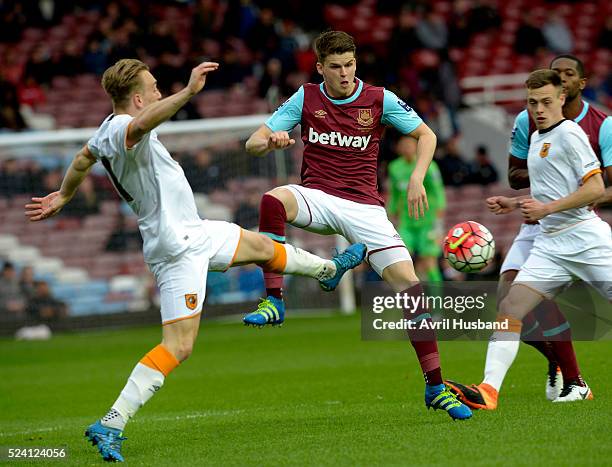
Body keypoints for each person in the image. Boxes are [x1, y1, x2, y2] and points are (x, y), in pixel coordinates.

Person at [25, 58, 365, 462]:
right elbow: (138, 126)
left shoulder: (103, 132)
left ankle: (329, 270)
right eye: (152, 87)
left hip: (195, 230)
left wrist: (64, 195)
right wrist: (186, 94)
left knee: (261, 247)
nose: (156, 91)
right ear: (137, 98)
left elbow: (82, 159)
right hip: (177, 247)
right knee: (179, 346)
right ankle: (111, 423)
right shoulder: (120, 127)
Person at [241, 31, 471, 421]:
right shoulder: (306, 97)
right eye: (336, 66)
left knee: (411, 290)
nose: (345, 73)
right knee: (273, 199)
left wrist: (417, 176)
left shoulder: (379, 98)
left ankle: (435, 387)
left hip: (366, 208)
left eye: (349, 64)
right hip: (320, 197)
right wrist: (272, 142)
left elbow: (426, 134)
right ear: (320, 68)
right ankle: (275, 300)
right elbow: (252, 142)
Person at [446, 56, 611, 410]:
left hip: (586, 238)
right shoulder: (537, 136)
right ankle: (489, 390)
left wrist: (546, 209)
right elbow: (550, 188)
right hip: (551, 244)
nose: (538, 109)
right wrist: (514, 202)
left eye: (546, 101)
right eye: (532, 102)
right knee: (511, 306)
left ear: (561, 99)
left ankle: (572, 381)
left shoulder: (570, 134)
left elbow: (596, 188)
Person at [388, 134, 446, 282]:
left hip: (427, 220)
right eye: (404, 145)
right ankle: (411, 299)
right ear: (399, 148)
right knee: (401, 260)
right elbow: (394, 192)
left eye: (410, 145)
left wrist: (439, 211)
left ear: (416, 147)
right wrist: (392, 210)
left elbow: (437, 189)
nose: (407, 148)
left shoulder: (428, 165)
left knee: (429, 262)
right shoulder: (394, 167)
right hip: (406, 222)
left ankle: (437, 302)